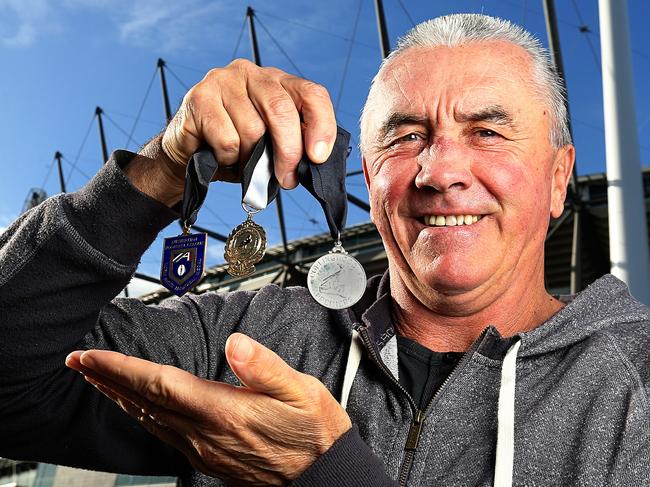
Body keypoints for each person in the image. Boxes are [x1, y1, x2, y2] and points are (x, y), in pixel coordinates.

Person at [1, 12, 649, 487]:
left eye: (487, 130)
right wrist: (159, 171)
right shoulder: (250, 337)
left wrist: (324, 474)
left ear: (559, 177)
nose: (440, 169)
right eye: (405, 136)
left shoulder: (636, 385)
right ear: (365, 179)